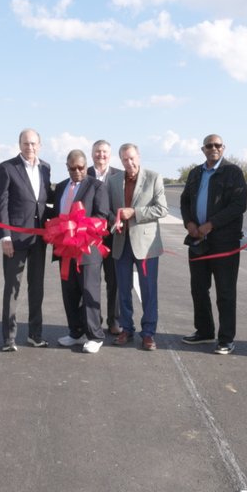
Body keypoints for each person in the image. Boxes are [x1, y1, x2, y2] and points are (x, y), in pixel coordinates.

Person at [179, 134, 247, 355]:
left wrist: (211, 224)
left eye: (217, 145)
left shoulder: (233, 172)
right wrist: (189, 222)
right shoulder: (195, 173)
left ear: (223, 148)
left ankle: (226, 338)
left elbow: (239, 205)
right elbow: (185, 201)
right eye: (209, 146)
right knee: (198, 289)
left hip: (223, 243)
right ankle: (204, 331)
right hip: (198, 241)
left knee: (225, 292)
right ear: (203, 149)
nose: (213, 148)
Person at [0, 128, 53, 352]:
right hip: (15, 240)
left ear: (40, 144)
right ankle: (9, 338)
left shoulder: (46, 168)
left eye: (34, 143)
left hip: (38, 240)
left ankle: (35, 335)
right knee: (12, 289)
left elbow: (46, 201)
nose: (30, 147)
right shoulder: (7, 168)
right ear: (19, 145)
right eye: (26, 143)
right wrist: (5, 236)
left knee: (36, 288)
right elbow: (1, 205)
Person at [107, 143, 167, 350]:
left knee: (149, 290)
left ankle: (148, 333)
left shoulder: (153, 177)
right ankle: (126, 329)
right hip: (121, 243)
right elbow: (108, 210)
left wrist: (135, 213)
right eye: (125, 159)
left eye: (132, 158)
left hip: (146, 245)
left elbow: (162, 209)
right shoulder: (113, 181)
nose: (129, 162)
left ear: (139, 157)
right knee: (123, 290)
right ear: (121, 160)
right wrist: (113, 221)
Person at [53, 150, 111, 354]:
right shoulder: (60, 187)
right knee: (70, 293)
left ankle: (95, 335)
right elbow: (55, 216)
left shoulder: (97, 186)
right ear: (67, 167)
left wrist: (79, 227)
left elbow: (102, 217)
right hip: (65, 250)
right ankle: (76, 332)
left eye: (80, 168)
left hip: (87, 250)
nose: (77, 171)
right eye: (72, 168)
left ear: (86, 167)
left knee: (89, 292)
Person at [88, 139, 122, 335]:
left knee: (114, 280)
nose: (101, 155)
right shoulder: (85, 174)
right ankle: (93, 320)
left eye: (104, 152)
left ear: (110, 155)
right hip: (90, 238)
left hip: (112, 236)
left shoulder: (119, 176)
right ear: (92, 154)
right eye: (98, 152)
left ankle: (114, 320)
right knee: (91, 281)